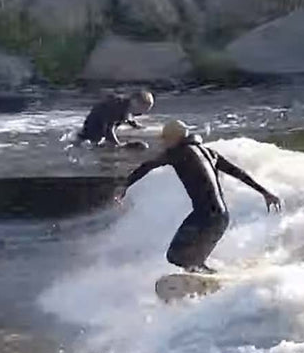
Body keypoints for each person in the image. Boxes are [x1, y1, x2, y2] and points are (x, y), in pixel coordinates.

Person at [120, 120, 281, 274]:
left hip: (204, 217)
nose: (163, 143)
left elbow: (147, 165)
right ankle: (204, 279)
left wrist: (124, 186)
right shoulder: (210, 153)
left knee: (175, 256)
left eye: (166, 139)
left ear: (174, 138)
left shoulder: (178, 152)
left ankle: (202, 276)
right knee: (192, 261)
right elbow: (238, 172)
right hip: (221, 217)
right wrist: (264, 192)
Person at [75, 91, 155, 148]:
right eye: (144, 108)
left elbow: (127, 116)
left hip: (104, 120)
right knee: (95, 141)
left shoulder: (127, 105)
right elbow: (109, 128)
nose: (145, 112)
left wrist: (135, 125)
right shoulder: (118, 107)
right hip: (95, 124)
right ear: (134, 101)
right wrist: (118, 144)